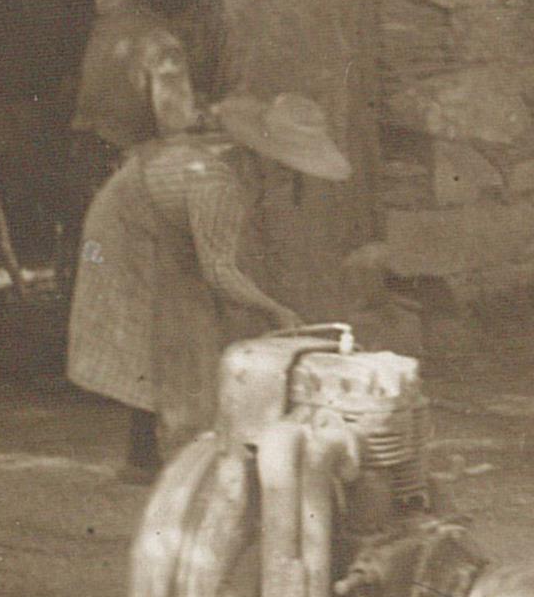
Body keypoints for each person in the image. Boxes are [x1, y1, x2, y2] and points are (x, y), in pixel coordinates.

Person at [66, 84, 342, 481]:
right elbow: (219, 271)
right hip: (118, 230)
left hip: (154, 219)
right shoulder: (217, 184)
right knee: (160, 330)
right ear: (262, 157)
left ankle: (162, 451)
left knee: (182, 324)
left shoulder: (233, 170)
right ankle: (156, 456)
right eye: (284, 167)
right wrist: (274, 309)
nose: (288, 177)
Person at [57, 0, 217, 305]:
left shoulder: (111, 24)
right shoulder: (162, 44)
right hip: (117, 158)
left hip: (84, 148)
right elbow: (174, 123)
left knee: (87, 250)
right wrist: (207, 113)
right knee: (121, 261)